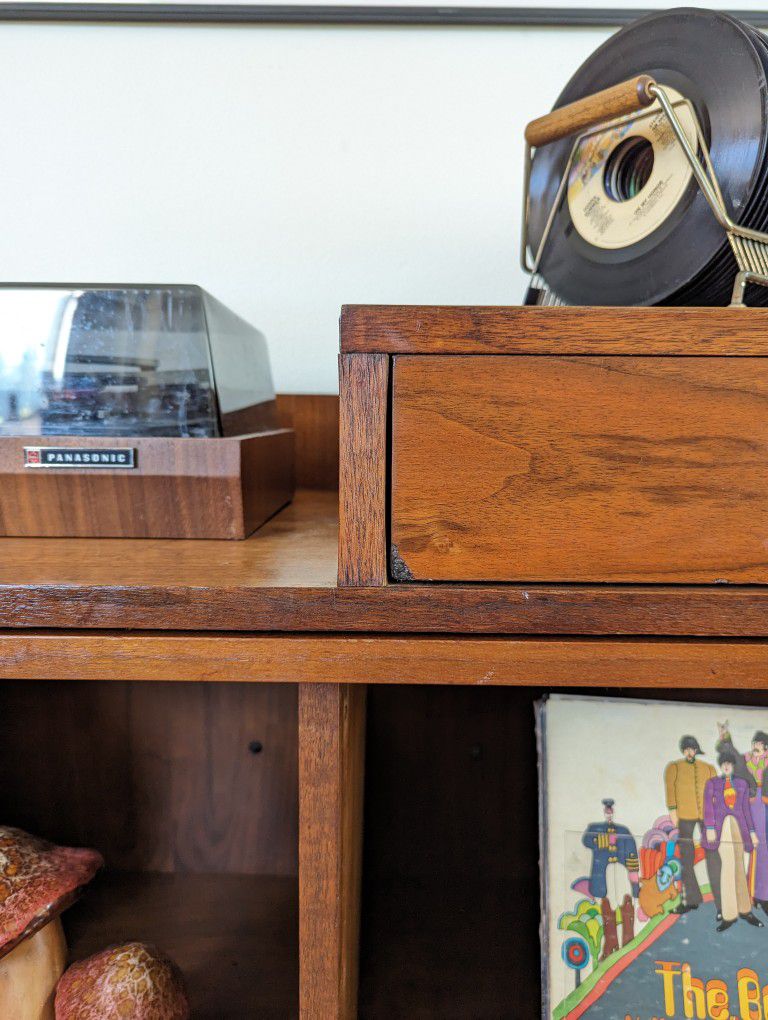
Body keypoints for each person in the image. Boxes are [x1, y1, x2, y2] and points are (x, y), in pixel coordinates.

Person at [702, 750, 763, 932]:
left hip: (739, 828)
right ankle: (729, 915)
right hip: (722, 829)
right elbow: (708, 807)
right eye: (724, 764)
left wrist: (752, 833)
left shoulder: (742, 784)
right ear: (721, 766)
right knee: (728, 868)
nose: (727, 766)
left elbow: (746, 810)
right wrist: (711, 828)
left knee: (739, 867)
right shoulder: (712, 783)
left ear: (733, 765)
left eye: (729, 763)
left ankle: (745, 910)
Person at [664, 735, 721, 916]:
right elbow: (671, 792)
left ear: (696, 750)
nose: (690, 752)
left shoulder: (708, 768)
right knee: (686, 858)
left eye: (692, 749)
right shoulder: (674, 767)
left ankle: (721, 900)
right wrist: (674, 814)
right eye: (687, 749)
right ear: (683, 750)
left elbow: (716, 793)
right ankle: (692, 899)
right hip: (685, 816)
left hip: (707, 817)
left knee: (713, 856)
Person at [716, 723, 768, 915]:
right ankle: (754, 894)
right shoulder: (746, 758)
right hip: (751, 801)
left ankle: (763, 895)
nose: (756, 745)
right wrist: (725, 737)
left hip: (765, 801)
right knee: (755, 848)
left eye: (760, 743)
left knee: (765, 849)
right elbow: (734, 757)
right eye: (755, 742)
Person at [578, 799, 639, 907]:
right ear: (604, 812)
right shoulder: (595, 828)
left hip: (619, 869)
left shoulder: (623, 830)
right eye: (607, 812)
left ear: (613, 812)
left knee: (622, 896)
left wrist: (632, 871)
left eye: (610, 812)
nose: (609, 814)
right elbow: (586, 841)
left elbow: (631, 849)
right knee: (601, 897)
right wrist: (600, 841)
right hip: (601, 869)